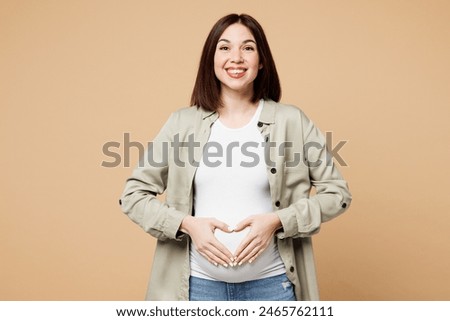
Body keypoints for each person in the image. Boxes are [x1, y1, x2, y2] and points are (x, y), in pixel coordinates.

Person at [119, 13, 352, 301]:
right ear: (211, 59)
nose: (237, 58)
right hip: (197, 289)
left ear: (261, 60)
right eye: (225, 47)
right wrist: (187, 224)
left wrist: (278, 220)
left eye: (248, 48)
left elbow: (337, 194)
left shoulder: (292, 121)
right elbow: (132, 196)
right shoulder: (182, 124)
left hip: (273, 288)